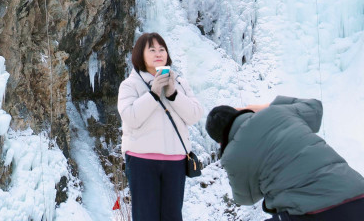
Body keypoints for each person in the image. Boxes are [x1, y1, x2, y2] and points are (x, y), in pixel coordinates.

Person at [207, 98, 364, 220]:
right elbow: (314, 107)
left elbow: (246, 198)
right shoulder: (279, 111)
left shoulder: (232, 155)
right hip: (357, 192)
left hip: (311, 212)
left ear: (220, 142)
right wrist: (267, 107)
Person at [116, 32, 203, 221]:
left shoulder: (179, 83)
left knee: (173, 216)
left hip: (175, 161)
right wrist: (154, 93)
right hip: (142, 161)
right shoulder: (130, 85)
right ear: (140, 55)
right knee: (145, 216)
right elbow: (131, 117)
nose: (158, 53)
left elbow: (195, 114)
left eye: (162, 49)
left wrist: (173, 94)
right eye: (152, 50)